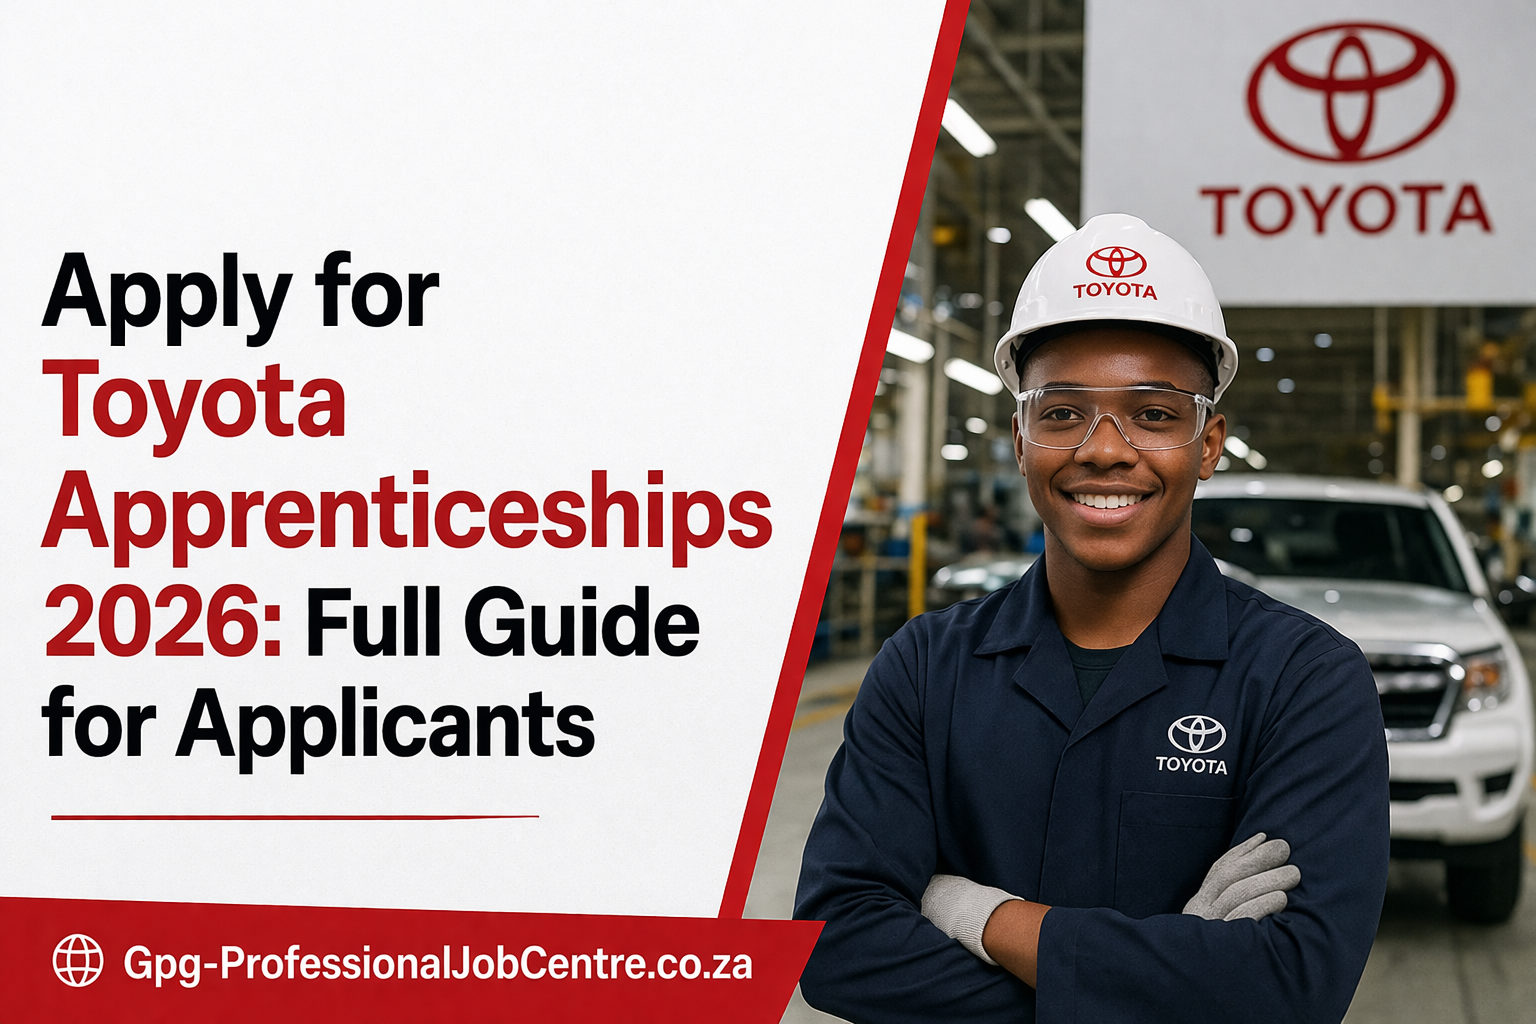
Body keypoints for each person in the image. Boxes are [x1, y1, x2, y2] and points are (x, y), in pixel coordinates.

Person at [794, 214, 1389, 1023]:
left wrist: (982, 917)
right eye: (1064, 411)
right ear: (1020, 437)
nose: (1104, 449)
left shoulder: (1303, 679)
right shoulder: (926, 667)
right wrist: (1172, 978)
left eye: (1153, 413)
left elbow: (1293, 984)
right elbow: (837, 950)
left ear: (1208, 444)